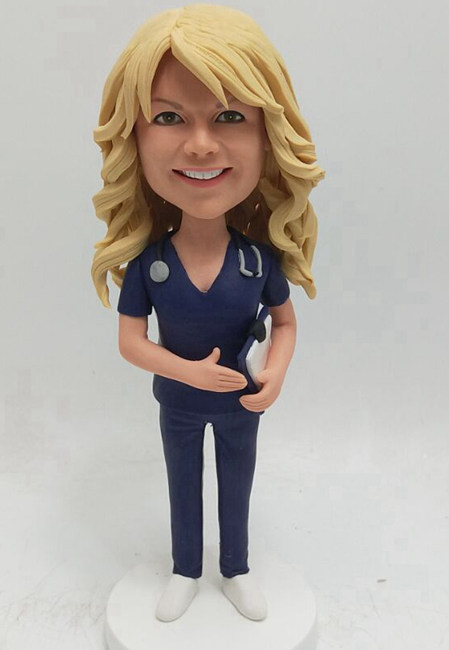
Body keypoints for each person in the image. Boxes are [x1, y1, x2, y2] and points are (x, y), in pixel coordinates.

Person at [91, 3, 324, 623]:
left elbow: (285, 323)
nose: (199, 144)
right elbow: (130, 342)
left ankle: (237, 567)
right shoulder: (150, 266)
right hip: (179, 403)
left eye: (230, 116)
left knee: (237, 482)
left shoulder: (256, 262)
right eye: (168, 117)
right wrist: (189, 374)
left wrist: (275, 373)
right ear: (134, 138)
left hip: (242, 403)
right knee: (183, 483)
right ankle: (185, 569)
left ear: (268, 136)